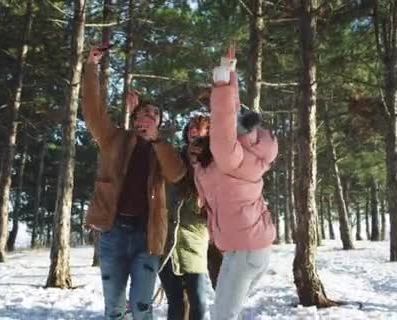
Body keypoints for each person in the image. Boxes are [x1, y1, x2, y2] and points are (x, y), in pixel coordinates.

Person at [82, 45, 187, 320]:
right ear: (134, 117)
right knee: (114, 310)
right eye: (145, 112)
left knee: (142, 308)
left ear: (159, 123)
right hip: (112, 235)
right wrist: (92, 66)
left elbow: (177, 174)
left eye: (155, 114)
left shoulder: (163, 149)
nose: (149, 116)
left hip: (147, 237)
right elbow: (93, 110)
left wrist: (156, 141)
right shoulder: (113, 138)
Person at [191, 46, 278, 320]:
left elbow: (227, 115)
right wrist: (228, 69)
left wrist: (223, 79)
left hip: (246, 248)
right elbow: (232, 110)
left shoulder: (234, 156)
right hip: (240, 247)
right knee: (224, 312)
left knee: (222, 316)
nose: (220, 124)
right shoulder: (238, 154)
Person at [159, 115, 211, 320]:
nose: (194, 131)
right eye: (190, 128)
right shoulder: (174, 158)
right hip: (167, 239)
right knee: (176, 301)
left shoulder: (213, 164)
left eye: (200, 128)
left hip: (195, 238)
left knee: (198, 299)